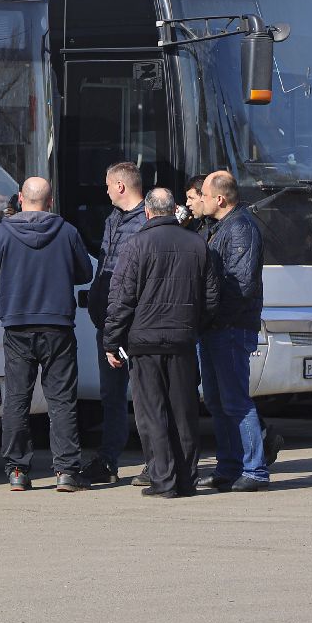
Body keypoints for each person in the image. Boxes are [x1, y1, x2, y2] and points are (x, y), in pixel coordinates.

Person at [0, 176, 93, 492]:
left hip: (17, 326)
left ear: (20, 198)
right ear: (51, 201)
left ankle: (17, 470)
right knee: (62, 400)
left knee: (17, 398)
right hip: (58, 327)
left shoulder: (2, 233)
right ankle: (66, 471)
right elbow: (86, 273)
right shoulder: (67, 232)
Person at [101, 188, 218, 498]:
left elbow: (121, 299)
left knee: (152, 413)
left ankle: (162, 480)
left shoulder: (135, 244)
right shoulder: (198, 244)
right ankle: (186, 480)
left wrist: (111, 341)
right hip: (182, 341)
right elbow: (211, 298)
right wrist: (193, 327)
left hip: (144, 342)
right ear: (174, 209)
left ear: (148, 213)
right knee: (184, 411)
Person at [200, 170, 272, 492]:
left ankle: (254, 469)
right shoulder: (219, 228)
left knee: (236, 401)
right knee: (217, 402)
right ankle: (228, 466)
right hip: (217, 328)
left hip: (230, 329)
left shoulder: (241, 228)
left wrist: (213, 317)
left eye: (202, 195)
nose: (198, 200)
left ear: (220, 199)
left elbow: (240, 285)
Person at [83, 161, 147, 485]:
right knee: (112, 396)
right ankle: (108, 461)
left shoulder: (147, 221)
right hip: (108, 325)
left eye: (108, 185)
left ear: (120, 186)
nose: (105, 190)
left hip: (135, 325)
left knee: (146, 395)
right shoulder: (113, 219)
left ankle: (155, 460)